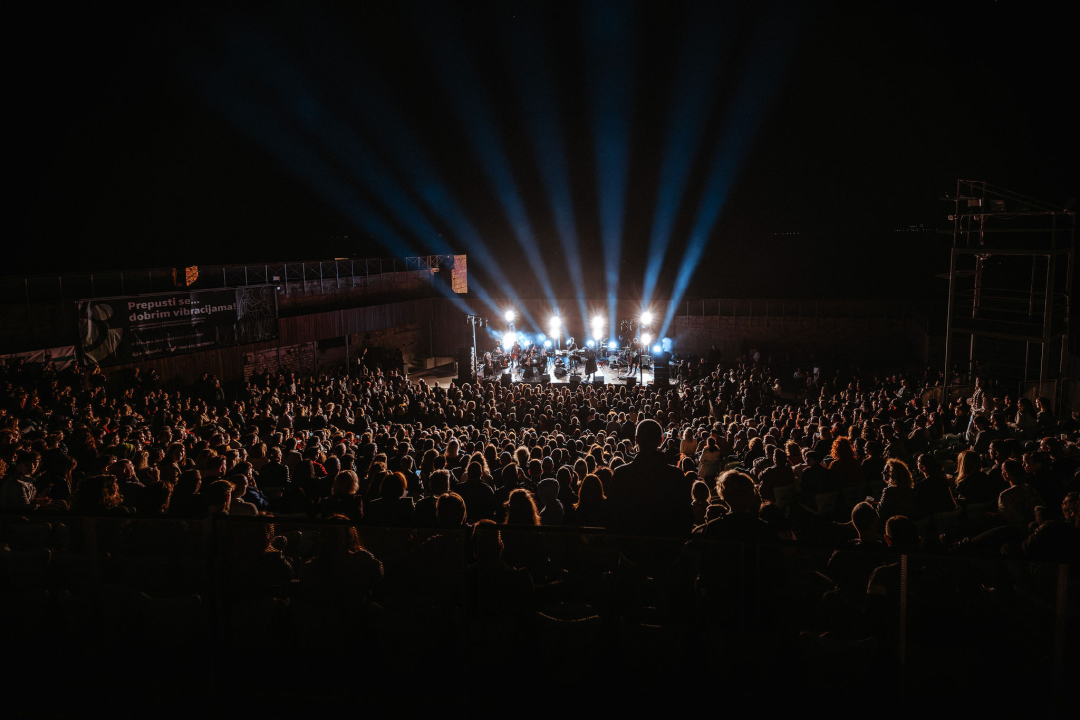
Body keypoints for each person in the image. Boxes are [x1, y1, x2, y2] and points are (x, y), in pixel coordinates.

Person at [607, 420, 694, 535]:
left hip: (630, 545)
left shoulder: (621, 474)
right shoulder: (676, 476)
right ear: (661, 441)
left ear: (636, 440)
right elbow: (686, 518)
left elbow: (612, 516)